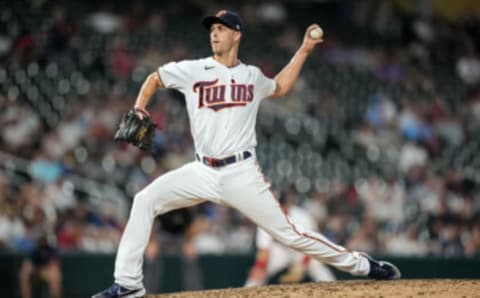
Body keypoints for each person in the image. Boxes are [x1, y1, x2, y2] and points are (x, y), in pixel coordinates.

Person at [93, 10, 401, 298]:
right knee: (145, 200)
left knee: (290, 235)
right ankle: (129, 285)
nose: (214, 34)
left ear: (236, 35)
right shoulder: (192, 70)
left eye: (220, 29)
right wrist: (139, 107)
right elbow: (155, 78)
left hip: (241, 173)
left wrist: (305, 49)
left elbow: (279, 86)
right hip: (202, 171)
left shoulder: (251, 76)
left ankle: (364, 265)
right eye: (212, 29)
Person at [244, 191, 335, 287]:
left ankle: (335, 290)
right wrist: (260, 267)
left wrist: (301, 266)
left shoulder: (302, 217)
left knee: (316, 265)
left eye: (282, 205)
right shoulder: (267, 218)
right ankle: (247, 290)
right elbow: (264, 249)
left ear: (287, 205)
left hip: (301, 251)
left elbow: (313, 244)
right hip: (281, 250)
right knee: (260, 271)